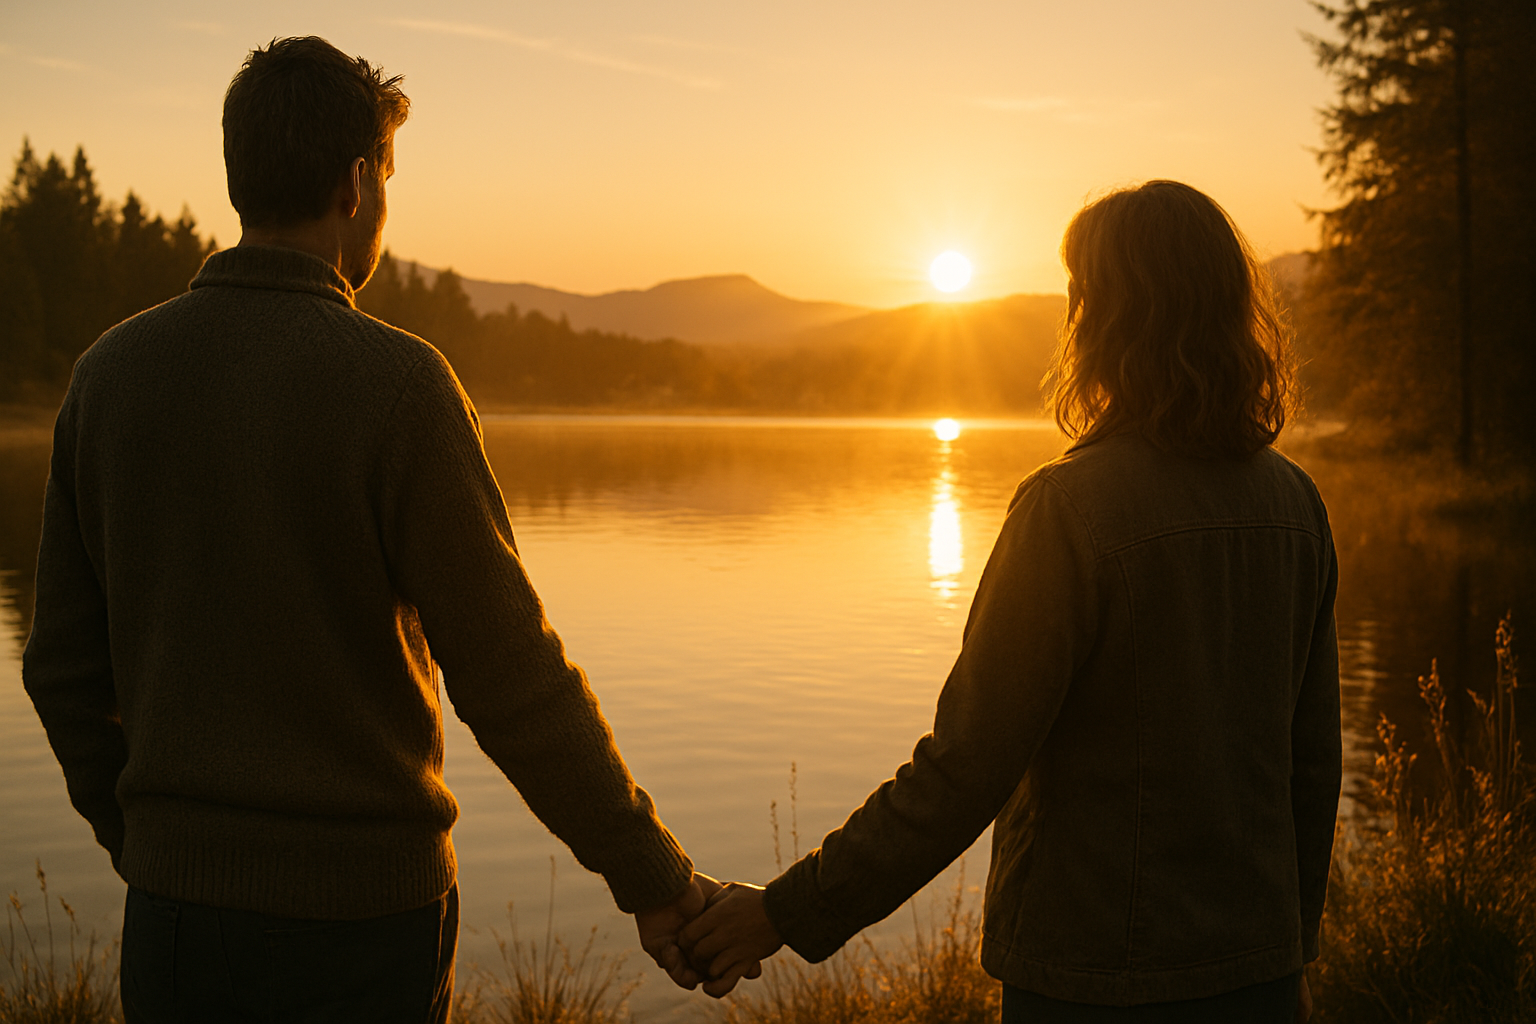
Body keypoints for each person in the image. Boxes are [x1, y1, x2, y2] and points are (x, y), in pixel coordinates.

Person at [22, 35, 745, 1022]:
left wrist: (153, 842)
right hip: (365, 931)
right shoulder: (399, 386)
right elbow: (511, 674)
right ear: (358, 184)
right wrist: (657, 881)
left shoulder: (108, 377)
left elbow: (61, 667)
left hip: (179, 924)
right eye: (388, 178)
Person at [683, 180, 1341, 1023]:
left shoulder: (1071, 509)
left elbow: (966, 768)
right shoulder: (1297, 506)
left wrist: (783, 910)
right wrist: (1292, 950)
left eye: (1079, 293)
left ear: (1102, 316)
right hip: (1258, 975)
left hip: (1094, 975)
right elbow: (1313, 764)